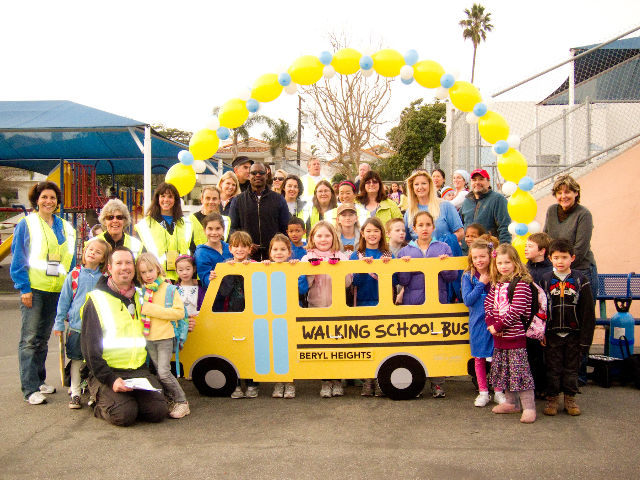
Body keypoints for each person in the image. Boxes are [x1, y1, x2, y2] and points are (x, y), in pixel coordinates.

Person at [81, 247, 168, 426]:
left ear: (134, 268)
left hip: (138, 370)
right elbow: (90, 350)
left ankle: (126, 399)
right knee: (124, 415)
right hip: (107, 372)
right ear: (109, 268)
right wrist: (111, 380)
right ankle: (99, 402)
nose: (124, 267)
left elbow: (164, 321)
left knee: (158, 412)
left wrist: (184, 324)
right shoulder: (97, 299)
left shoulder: (143, 296)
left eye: (128, 263)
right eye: (119, 263)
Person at [11, 181, 77, 405]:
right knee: (29, 340)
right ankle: (29, 389)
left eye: (52, 197)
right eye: (44, 197)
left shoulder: (66, 227)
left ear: (57, 201)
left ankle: (39, 381)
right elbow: (19, 258)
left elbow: (71, 261)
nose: (48, 201)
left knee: (42, 339)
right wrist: (24, 288)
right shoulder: (27, 224)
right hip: (35, 289)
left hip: (57, 291)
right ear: (36, 200)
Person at [543, 175, 597, 386]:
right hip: (558, 271)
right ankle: (558, 376)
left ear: (576, 193)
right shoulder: (550, 211)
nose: (563, 196)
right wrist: (554, 266)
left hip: (581, 271)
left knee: (580, 322)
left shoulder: (584, 214)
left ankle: (578, 375)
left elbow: (581, 248)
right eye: (559, 192)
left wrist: (565, 267)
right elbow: (546, 238)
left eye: (568, 191)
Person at [397, 211, 456, 398]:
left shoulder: (443, 247)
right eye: (420, 225)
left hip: (437, 303)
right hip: (412, 305)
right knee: (414, 343)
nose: (424, 228)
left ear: (433, 227)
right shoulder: (405, 251)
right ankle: (416, 382)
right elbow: (403, 281)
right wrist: (404, 266)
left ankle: (437, 383)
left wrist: (445, 265)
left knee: (436, 343)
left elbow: (451, 277)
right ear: (413, 229)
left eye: (428, 224)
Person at [540, 239, 596, 417]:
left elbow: (588, 312)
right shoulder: (545, 280)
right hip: (552, 333)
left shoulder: (581, 280)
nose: (560, 261)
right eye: (556, 257)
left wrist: (585, 339)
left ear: (572, 258)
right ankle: (553, 400)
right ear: (550, 258)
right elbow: (540, 309)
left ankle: (570, 399)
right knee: (553, 368)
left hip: (574, 334)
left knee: (572, 368)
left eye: (564, 257)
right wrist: (542, 332)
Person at [53, 238, 111, 409]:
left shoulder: (105, 279)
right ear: (84, 253)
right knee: (76, 360)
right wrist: (58, 323)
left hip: (97, 328)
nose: (92, 252)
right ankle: (76, 392)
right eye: (90, 249)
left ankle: (93, 392)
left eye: (98, 252)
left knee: (93, 361)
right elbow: (64, 301)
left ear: (103, 259)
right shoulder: (74, 275)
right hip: (77, 327)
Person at [484, 244, 536, 424]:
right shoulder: (497, 284)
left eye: (507, 262)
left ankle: (529, 407)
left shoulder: (520, 284)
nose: (503, 266)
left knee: (520, 372)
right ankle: (511, 403)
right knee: (505, 371)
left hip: (515, 336)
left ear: (515, 262)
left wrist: (498, 325)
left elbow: (517, 309)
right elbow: (488, 305)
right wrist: (491, 324)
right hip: (499, 338)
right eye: (500, 263)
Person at [298, 221, 351, 398]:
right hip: (316, 306)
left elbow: (348, 284)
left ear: (333, 237)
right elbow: (304, 286)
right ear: (312, 238)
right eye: (319, 235)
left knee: (338, 344)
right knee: (322, 345)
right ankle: (325, 381)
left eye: (327, 235)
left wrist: (338, 270)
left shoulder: (342, 257)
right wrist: (313, 270)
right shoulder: (306, 258)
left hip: (338, 308)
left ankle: (337, 380)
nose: (323, 239)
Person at [136, 253, 190, 419]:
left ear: (158, 269)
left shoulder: (169, 289)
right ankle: (171, 399)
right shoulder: (141, 291)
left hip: (165, 337)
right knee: (160, 373)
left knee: (164, 372)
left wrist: (153, 310)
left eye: (151, 270)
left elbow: (179, 313)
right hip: (148, 337)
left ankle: (182, 402)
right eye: (143, 273)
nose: (148, 275)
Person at [210, 231, 259, 398]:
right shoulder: (224, 267)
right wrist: (228, 274)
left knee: (250, 349)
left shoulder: (254, 265)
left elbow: (259, 290)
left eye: (244, 246)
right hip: (231, 313)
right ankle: (235, 383)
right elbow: (223, 292)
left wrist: (253, 269)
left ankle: (252, 383)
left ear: (250, 249)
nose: (240, 249)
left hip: (252, 315)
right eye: (236, 246)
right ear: (230, 248)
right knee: (233, 348)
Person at [349, 217, 392, 397]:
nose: (372, 234)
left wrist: (385, 268)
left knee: (383, 344)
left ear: (381, 233)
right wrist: (361, 267)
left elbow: (395, 281)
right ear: (363, 233)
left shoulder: (388, 254)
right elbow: (354, 282)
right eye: (368, 231)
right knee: (366, 343)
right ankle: (368, 380)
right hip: (362, 302)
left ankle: (382, 380)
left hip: (383, 303)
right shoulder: (356, 254)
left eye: (376, 231)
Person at [461, 237, 506, 407]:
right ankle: (483, 392)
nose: (479, 260)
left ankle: (499, 391)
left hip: (497, 322)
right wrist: (481, 284)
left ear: (490, 256)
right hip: (478, 322)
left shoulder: (498, 274)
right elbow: (468, 300)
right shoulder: (468, 276)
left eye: (482, 256)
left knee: (497, 356)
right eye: (475, 257)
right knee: (479, 357)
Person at [262, 233, 299, 399]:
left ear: (289, 252)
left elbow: (301, 288)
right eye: (275, 249)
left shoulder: (293, 267)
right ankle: (278, 381)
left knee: (289, 348)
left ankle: (290, 382)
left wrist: (296, 267)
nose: (279, 252)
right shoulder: (266, 267)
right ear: (270, 252)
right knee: (276, 348)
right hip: (272, 316)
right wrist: (264, 265)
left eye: (283, 249)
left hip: (290, 315)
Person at [229, 162, 290, 261]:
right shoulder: (238, 200)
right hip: (246, 258)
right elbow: (233, 229)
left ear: (266, 176)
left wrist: (277, 246)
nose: (258, 175)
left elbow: (285, 228)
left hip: (274, 258)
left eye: (261, 172)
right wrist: (246, 244)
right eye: (254, 173)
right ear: (249, 176)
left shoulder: (278, 199)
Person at [135, 183, 192, 282]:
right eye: (163, 196)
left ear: (175, 200)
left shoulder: (186, 223)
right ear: (157, 199)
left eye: (170, 196)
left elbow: (192, 250)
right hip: (156, 281)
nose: (166, 200)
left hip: (182, 280)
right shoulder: (145, 225)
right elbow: (141, 256)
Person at [524, 232, 553, 398]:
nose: (526, 249)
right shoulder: (525, 268)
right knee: (529, 355)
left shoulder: (549, 272)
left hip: (542, 323)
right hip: (527, 322)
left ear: (542, 251)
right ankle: (531, 387)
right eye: (526, 245)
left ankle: (544, 388)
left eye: (530, 246)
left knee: (543, 357)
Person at [403, 169, 463, 244]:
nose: (420, 187)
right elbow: (406, 240)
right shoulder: (409, 212)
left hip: (444, 254)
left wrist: (442, 245)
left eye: (424, 183)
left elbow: (460, 233)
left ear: (430, 185)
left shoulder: (445, 206)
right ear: (412, 188)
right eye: (416, 184)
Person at [460, 169, 511, 253]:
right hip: (466, 253)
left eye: (481, 179)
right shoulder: (466, 202)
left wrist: (503, 252)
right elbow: (459, 225)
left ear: (488, 182)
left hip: (489, 253)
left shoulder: (498, 199)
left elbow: (504, 228)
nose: (477, 182)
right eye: (474, 180)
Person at [194, 213, 233, 290]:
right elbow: (205, 277)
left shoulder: (230, 248)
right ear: (204, 230)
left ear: (223, 230)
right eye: (210, 229)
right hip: (213, 297)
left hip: (232, 296)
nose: (214, 233)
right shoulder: (201, 253)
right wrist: (211, 278)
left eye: (218, 228)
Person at [190, 186, 229, 252]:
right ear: (202, 199)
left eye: (214, 199)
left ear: (219, 200)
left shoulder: (226, 220)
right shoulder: (191, 220)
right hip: (198, 260)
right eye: (208, 198)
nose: (211, 202)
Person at [175, 255, 203, 333]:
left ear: (194, 269)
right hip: (179, 328)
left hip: (197, 328)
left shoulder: (200, 290)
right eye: (181, 270)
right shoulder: (173, 290)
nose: (185, 273)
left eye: (188, 269)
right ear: (176, 271)